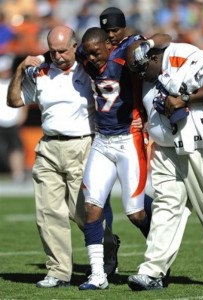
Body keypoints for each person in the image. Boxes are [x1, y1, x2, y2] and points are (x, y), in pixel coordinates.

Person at [124, 39, 203, 290]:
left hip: (202, 141)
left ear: (154, 57)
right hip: (166, 147)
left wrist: (185, 98)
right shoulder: (148, 67)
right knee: (165, 206)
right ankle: (153, 271)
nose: (139, 76)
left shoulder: (184, 55)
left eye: (140, 69)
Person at [6, 25, 118, 288]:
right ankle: (58, 271)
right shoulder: (40, 72)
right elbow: (14, 101)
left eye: (62, 50)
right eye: (53, 51)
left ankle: (108, 243)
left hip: (83, 146)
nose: (57, 56)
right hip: (48, 147)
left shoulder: (89, 70)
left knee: (82, 212)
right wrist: (21, 70)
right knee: (48, 212)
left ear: (74, 46)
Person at [77, 26, 171, 291]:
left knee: (136, 212)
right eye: (89, 54)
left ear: (108, 45)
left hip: (129, 137)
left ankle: (159, 258)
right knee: (92, 207)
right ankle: (97, 274)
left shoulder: (122, 58)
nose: (93, 58)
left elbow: (162, 40)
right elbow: (65, 53)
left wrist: (142, 41)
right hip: (102, 140)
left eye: (97, 53)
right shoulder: (85, 56)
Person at [0, 54, 27, 183]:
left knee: (16, 148)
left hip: (12, 121)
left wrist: (22, 116)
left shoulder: (15, 82)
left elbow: (23, 101)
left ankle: (18, 174)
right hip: (1, 121)